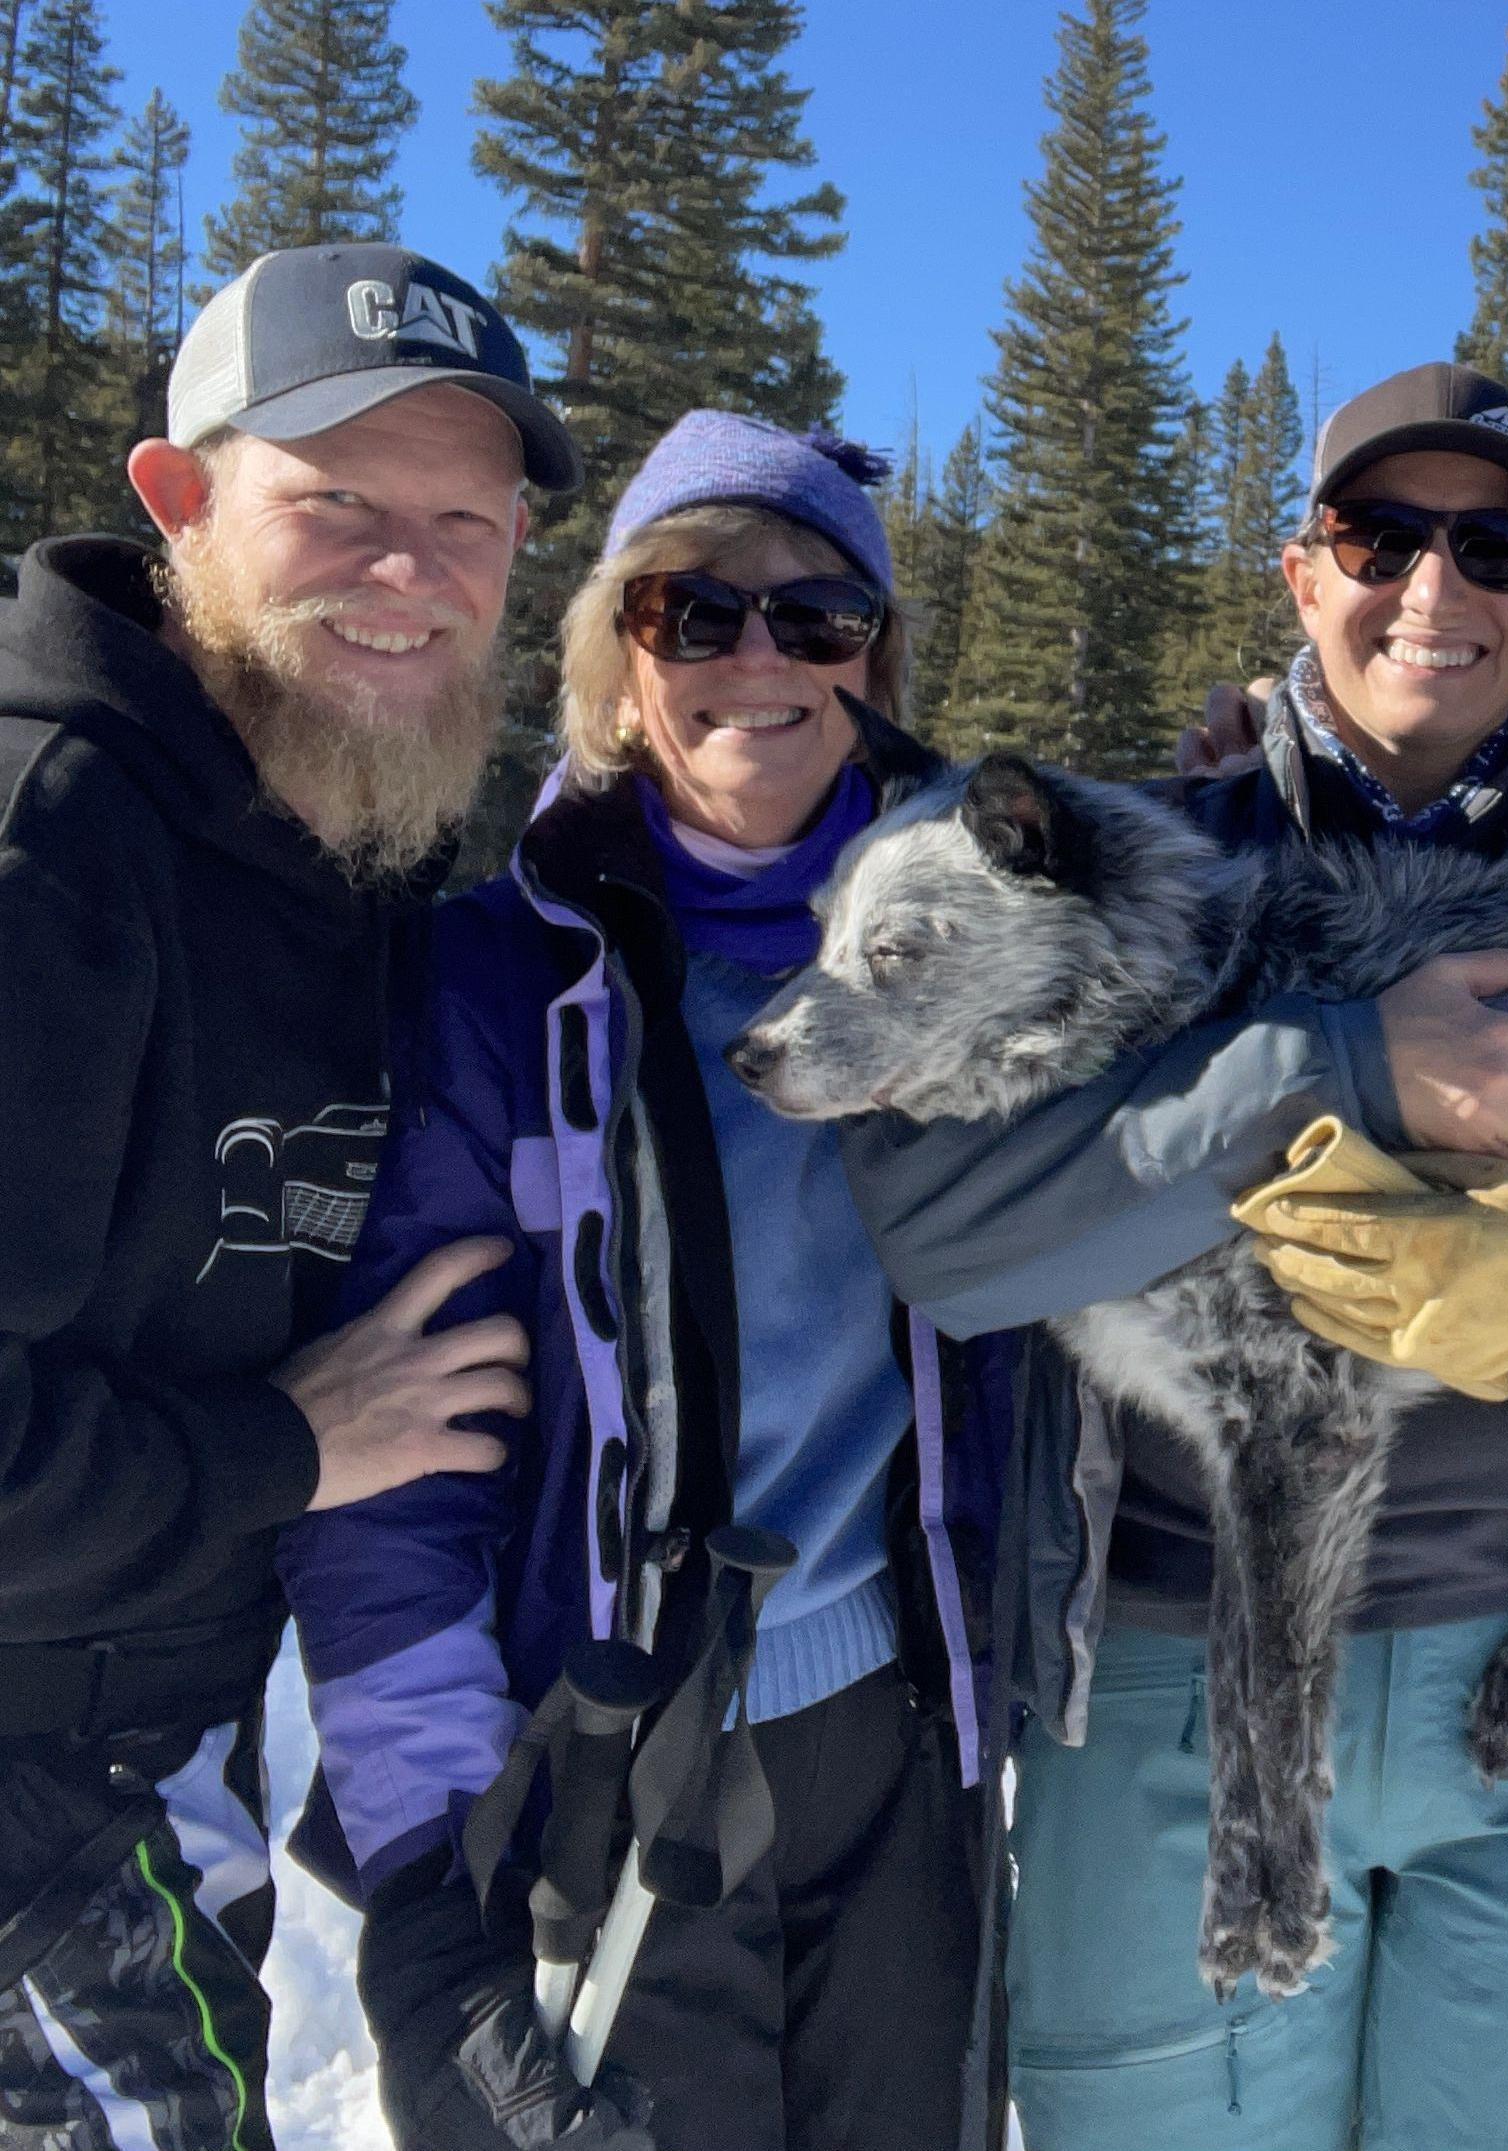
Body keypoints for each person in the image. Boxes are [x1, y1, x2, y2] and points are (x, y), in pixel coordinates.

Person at [839, 364, 1508, 2151]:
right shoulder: (1123, 863)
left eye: (1497, 546)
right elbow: (946, 1237)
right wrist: (1348, 1062)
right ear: (1300, 570)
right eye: (1380, 536)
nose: (1432, 590)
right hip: (1166, 1680)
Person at [278, 414, 1012, 2151]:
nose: (758, 657)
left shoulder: (997, 944)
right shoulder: (483, 982)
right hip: (593, 1759)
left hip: (902, 1748)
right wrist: (427, 1905)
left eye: (819, 617)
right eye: (694, 613)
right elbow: (397, 1479)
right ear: (617, 654)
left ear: (875, 662)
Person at [0, 243, 577, 2150]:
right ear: (178, 500)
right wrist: (280, 1451)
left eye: (461, 522)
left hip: (142, 1736)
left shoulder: (341, 825)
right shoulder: (51, 846)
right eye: (333, 507)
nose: (406, 572)